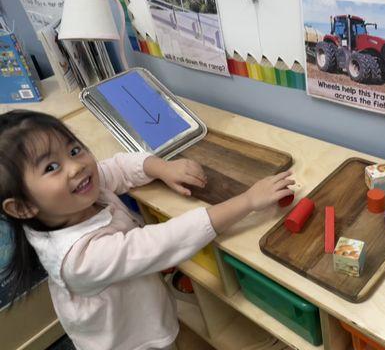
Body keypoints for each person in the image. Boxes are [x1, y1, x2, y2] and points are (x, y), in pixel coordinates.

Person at [0, 110, 294, 350]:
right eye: (51, 168)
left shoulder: (75, 196)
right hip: (128, 339)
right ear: (23, 208)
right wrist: (247, 201)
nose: (76, 167)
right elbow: (162, 241)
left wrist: (161, 168)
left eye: (74, 150)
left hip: (141, 302)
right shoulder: (80, 259)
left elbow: (116, 167)